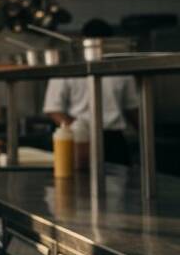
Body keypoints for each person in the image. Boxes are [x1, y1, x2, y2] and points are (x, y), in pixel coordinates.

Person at [43, 19, 139, 165]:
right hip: (79, 138)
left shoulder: (122, 70)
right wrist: (78, 130)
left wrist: (147, 136)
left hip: (113, 140)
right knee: (81, 183)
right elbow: (54, 109)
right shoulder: (67, 69)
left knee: (120, 183)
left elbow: (133, 110)